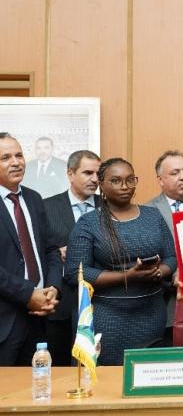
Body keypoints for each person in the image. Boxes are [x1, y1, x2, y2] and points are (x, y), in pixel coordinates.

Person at [65, 158, 176, 365]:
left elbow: (171, 257)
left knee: (147, 377)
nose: (125, 186)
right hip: (108, 318)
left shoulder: (153, 216)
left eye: (130, 180)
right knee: (110, 381)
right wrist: (127, 276)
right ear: (101, 184)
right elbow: (75, 273)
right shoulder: (88, 223)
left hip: (151, 313)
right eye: (115, 181)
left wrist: (160, 271)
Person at [0, 133, 61, 366]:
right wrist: (27, 294)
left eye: (19, 155)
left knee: (38, 392)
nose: (16, 162)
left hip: (40, 318)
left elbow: (51, 250)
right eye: (5, 157)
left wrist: (53, 288)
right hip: (5, 321)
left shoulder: (34, 199)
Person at [43, 150, 101, 365]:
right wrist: (58, 252)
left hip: (101, 302)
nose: (95, 179)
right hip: (61, 305)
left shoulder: (109, 208)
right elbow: (36, 251)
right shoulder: (46, 207)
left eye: (98, 173)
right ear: (70, 174)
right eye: (87, 172)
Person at [145, 150, 183, 346]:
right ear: (160, 180)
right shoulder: (148, 212)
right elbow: (148, 257)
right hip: (168, 302)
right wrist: (173, 276)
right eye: (175, 173)